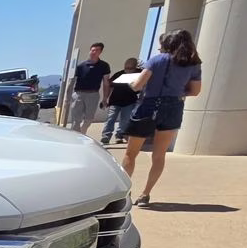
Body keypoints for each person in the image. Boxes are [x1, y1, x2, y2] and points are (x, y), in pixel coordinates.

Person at [123, 30, 203, 206]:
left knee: (131, 153)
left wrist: (130, 83)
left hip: (148, 106)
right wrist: (178, 92)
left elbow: (137, 86)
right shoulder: (193, 64)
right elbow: (196, 91)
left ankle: (124, 193)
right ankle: (145, 194)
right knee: (159, 155)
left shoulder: (156, 60)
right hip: (173, 107)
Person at [66, 42, 111, 135]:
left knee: (89, 118)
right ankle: (75, 138)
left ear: (100, 52)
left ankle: (82, 133)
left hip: (93, 94)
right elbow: (71, 82)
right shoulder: (80, 66)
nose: (93, 52)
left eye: (96, 50)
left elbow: (106, 83)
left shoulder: (104, 66)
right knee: (76, 119)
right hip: (78, 94)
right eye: (92, 50)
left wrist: (105, 98)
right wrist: (67, 97)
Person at [99, 57, 141, 145]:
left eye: (130, 68)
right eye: (126, 68)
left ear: (135, 67)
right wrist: (105, 99)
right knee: (110, 118)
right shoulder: (119, 74)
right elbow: (110, 86)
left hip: (130, 101)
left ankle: (119, 135)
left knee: (125, 120)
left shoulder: (140, 74)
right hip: (115, 100)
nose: (127, 70)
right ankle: (106, 136)